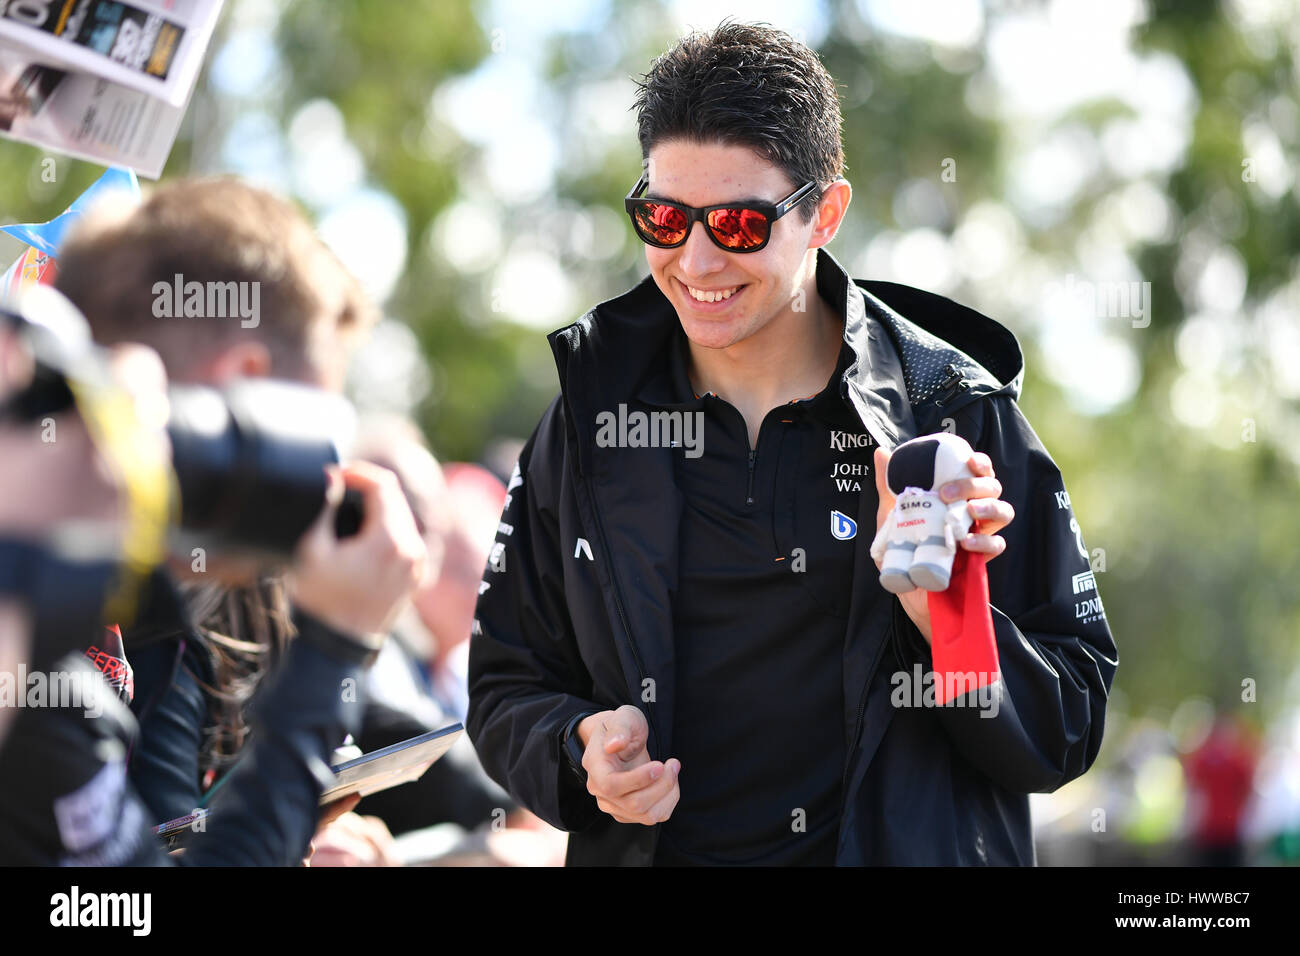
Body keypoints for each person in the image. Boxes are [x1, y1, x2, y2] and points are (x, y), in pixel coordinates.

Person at [467, 21, 1118, 866]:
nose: (695, 261)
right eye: (663, 218)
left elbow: (1066, 727)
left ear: (826, 213)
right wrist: (578, 748)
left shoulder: (948, 411)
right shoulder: (590, 418)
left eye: (737, 224)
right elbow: (503, 687)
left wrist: (943, 611)